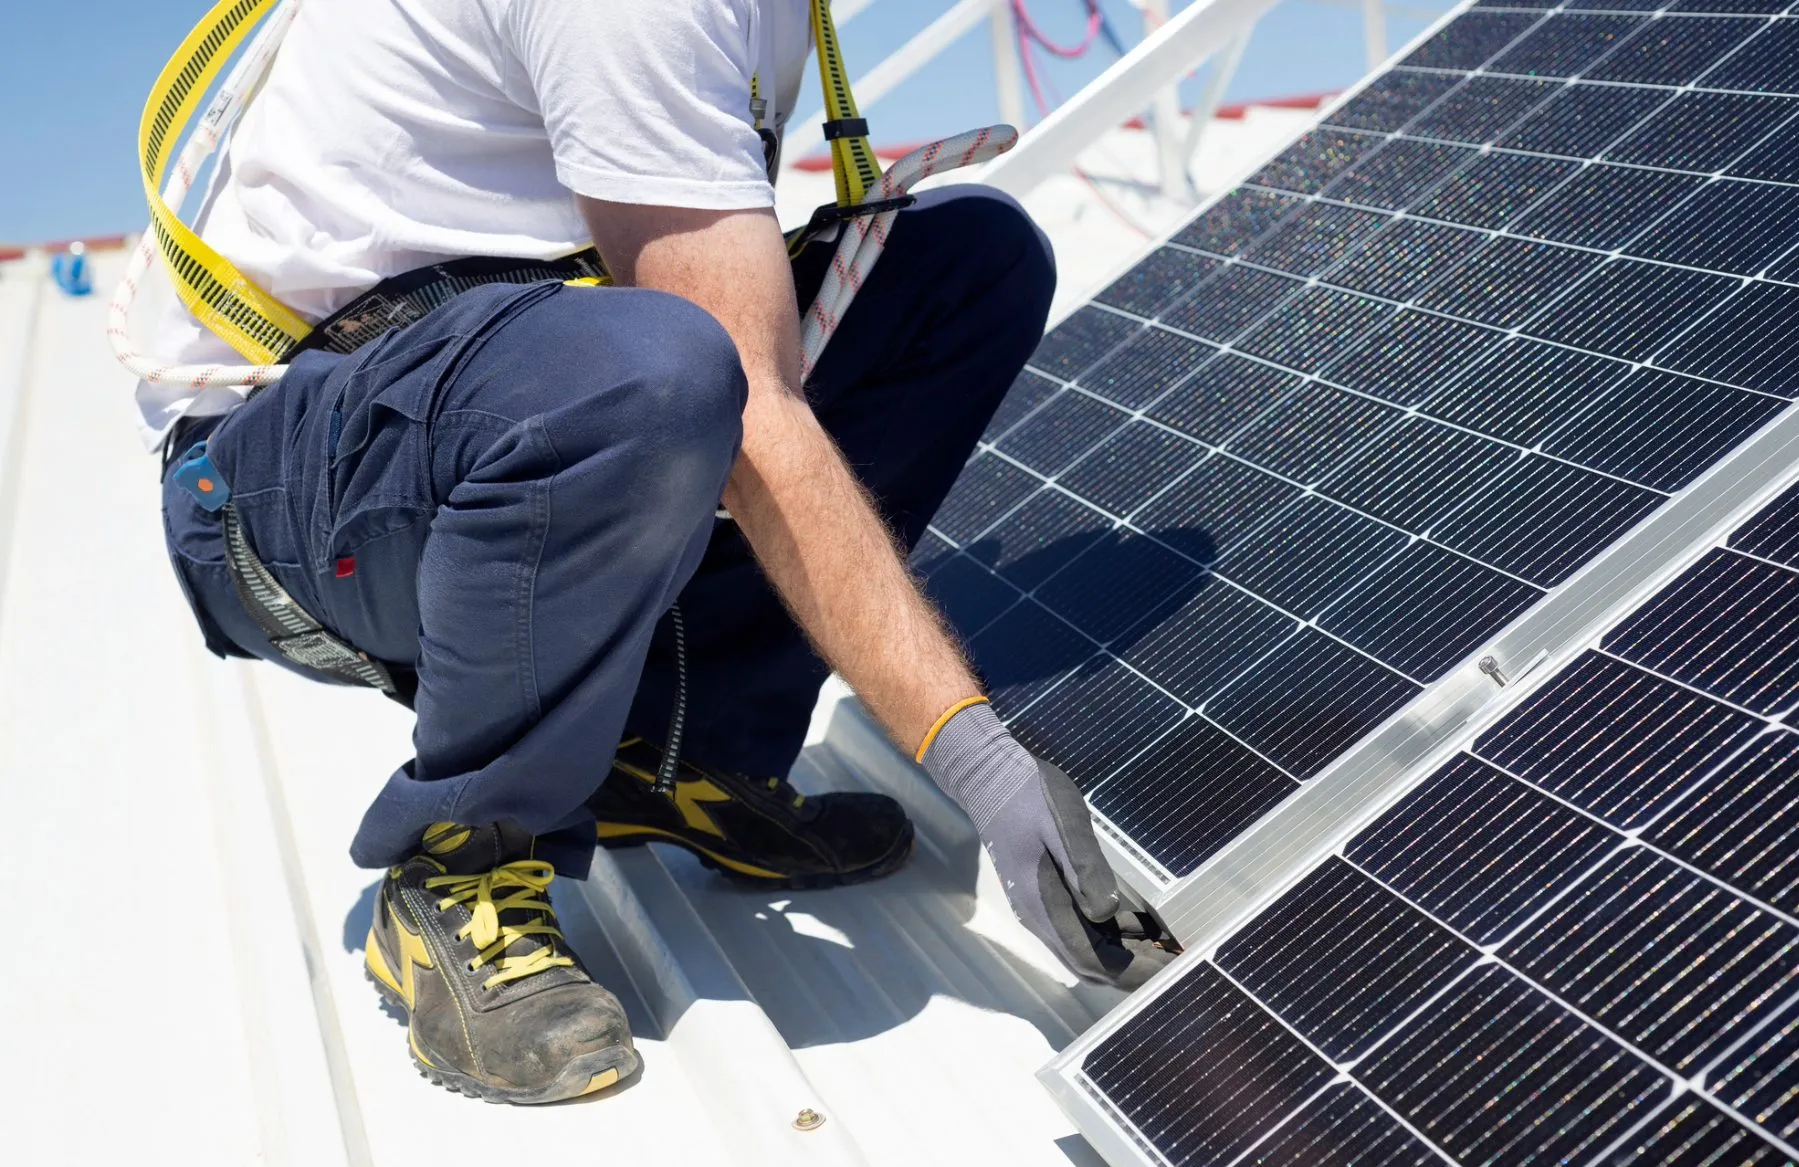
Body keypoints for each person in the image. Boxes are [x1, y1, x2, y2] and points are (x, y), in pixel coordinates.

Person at [142, 0, 1169, 1106]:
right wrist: (980, 766)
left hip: (475, 393)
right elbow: (746, 397)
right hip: (274, 484)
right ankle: (464, 856)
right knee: (661, 370)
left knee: (968, 264)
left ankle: (678, 753)